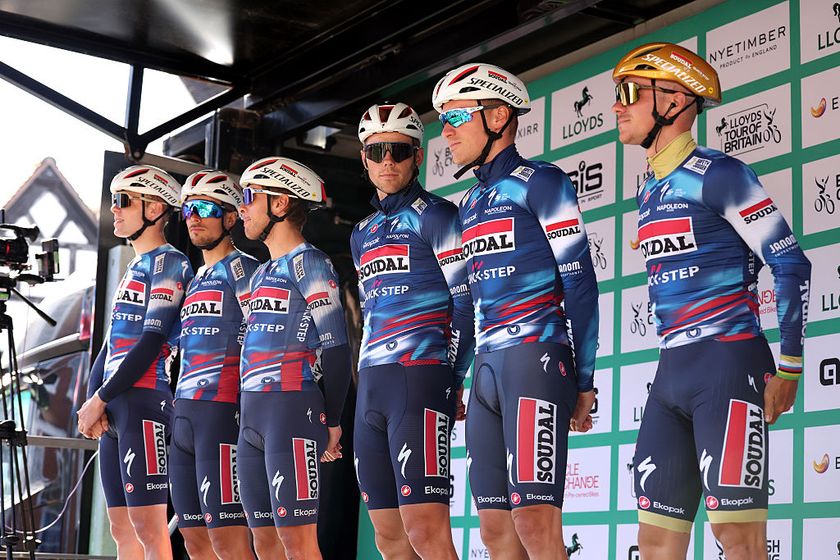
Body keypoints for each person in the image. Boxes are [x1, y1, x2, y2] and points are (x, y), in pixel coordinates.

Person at [612, 42, 811, 560]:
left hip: (729, 364)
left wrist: (789, 367)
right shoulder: (649, 191)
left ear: (675, 101)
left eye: (631, 92)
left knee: (738, 540)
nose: (617, 105)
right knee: (654, 542)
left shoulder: (721, 174)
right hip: (671, 371)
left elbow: (789, 262)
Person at [433, 63, 599, 560]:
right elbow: (463, 305)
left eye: (457, 115)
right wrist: (459, 375)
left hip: (535, 359)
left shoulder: (542, 183)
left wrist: (584, 380)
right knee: (494, 534)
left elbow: (581, 283)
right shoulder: (468, 203)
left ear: (499, 115)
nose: (445, 131)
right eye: (443, 118)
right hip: (486, 368)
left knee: (535, 525)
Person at [351, 103, 475, 560]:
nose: (388, 161)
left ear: (418, 157)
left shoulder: (439, 216)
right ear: (364, 158)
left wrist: (453, 377)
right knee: (388, 537)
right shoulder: (360, 232)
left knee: (426, 531)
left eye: (399, 151)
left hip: (420, 378)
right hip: (372, 386)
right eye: (377, 151)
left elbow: (465, 305)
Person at [236, 156, 351, 560]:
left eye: (249, 196)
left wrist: (332, 421)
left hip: (291, 410)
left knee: (298, 544)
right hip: (251, 418)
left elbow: (337, 348)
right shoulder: (259, 274)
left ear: (281, 204)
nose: (241, 207)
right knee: (264, 542)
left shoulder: (312, 262)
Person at [77, 165, 193, 560]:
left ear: (156, 208)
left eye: (124, 201)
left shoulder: (171, 264)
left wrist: (100, 398)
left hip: (144, 401)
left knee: (149, 527)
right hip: (116, 403)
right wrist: (96, 400)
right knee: (120, 528)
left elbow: (151, 340)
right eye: (114, 201)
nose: (116, 211)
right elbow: (111, 346)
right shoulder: (134, 266)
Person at [169, 170, 259, 559]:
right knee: (194, 541)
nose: (194, 217)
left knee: (229, 541)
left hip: (225, 414)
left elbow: (271, 343)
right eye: (188, 209)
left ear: (231, 217)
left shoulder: (248, 271)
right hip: (184, 415)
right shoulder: (194, 278)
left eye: (205, 208)